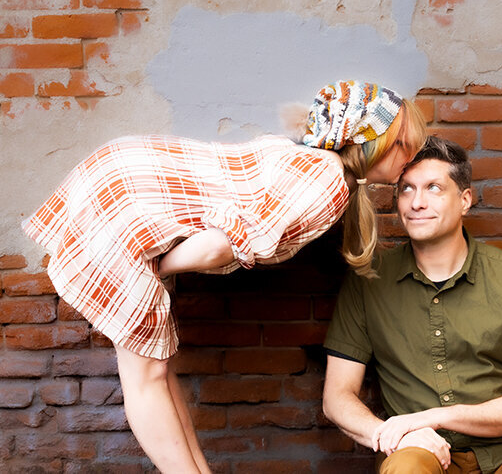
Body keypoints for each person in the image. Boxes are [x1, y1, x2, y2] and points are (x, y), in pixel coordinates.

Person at [22, 80, 426, 474]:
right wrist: (150, 267)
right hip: (125, 204)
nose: (413, 154)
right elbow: (218, 246)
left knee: (156, 372)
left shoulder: (313, 166)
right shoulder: (327, 184)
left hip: (122, 180)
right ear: (373, 140)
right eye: (406, 142)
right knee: (145, 377)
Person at [323, 136, 502, 474]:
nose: (416, 202)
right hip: (416, 449)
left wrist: (435, 416)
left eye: (433, 188)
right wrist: (388, 433)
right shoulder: (368, 282)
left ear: (464, 200)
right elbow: (336, 398)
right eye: (406, 189)